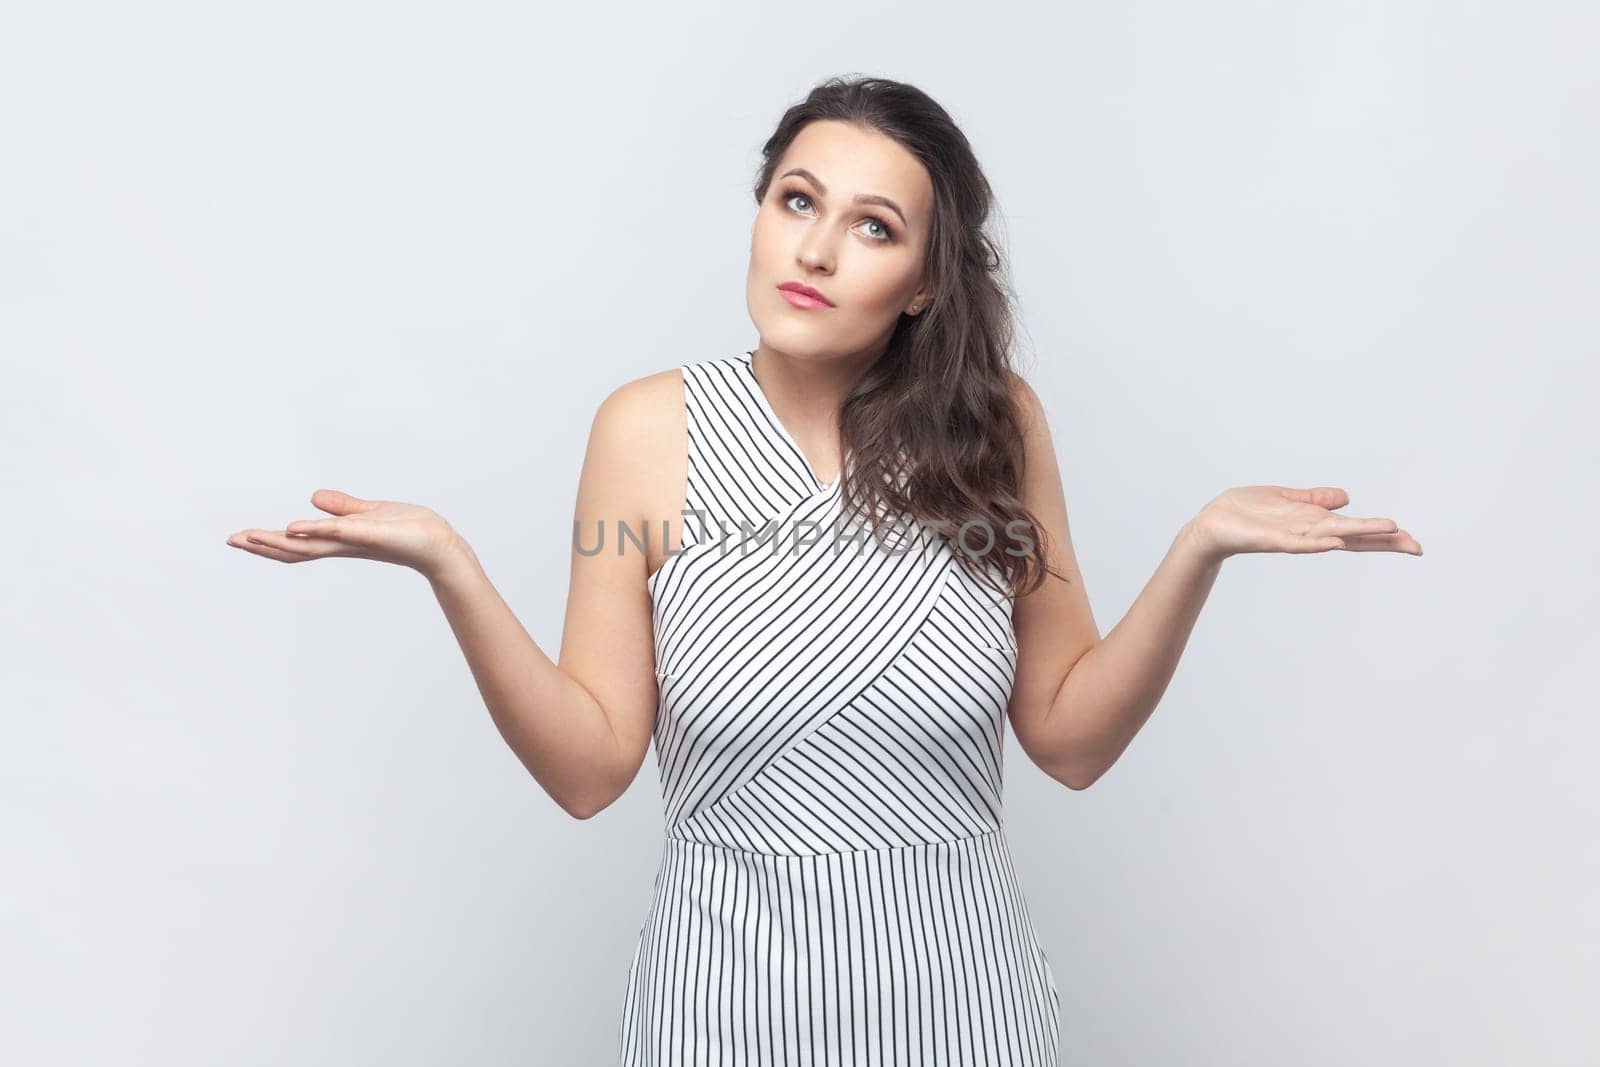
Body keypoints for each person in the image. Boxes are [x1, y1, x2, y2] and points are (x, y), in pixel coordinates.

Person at [226, 75, 1422, 1065]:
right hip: (720, 1010)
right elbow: (591, 769)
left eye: (872, 225)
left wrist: (1197, 547)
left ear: (926, 284)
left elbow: (1069, 737)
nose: (814, 247)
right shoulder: (647, 429)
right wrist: (453, 567)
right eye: (797, 200)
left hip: (965, 1009)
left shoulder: (996, 425)